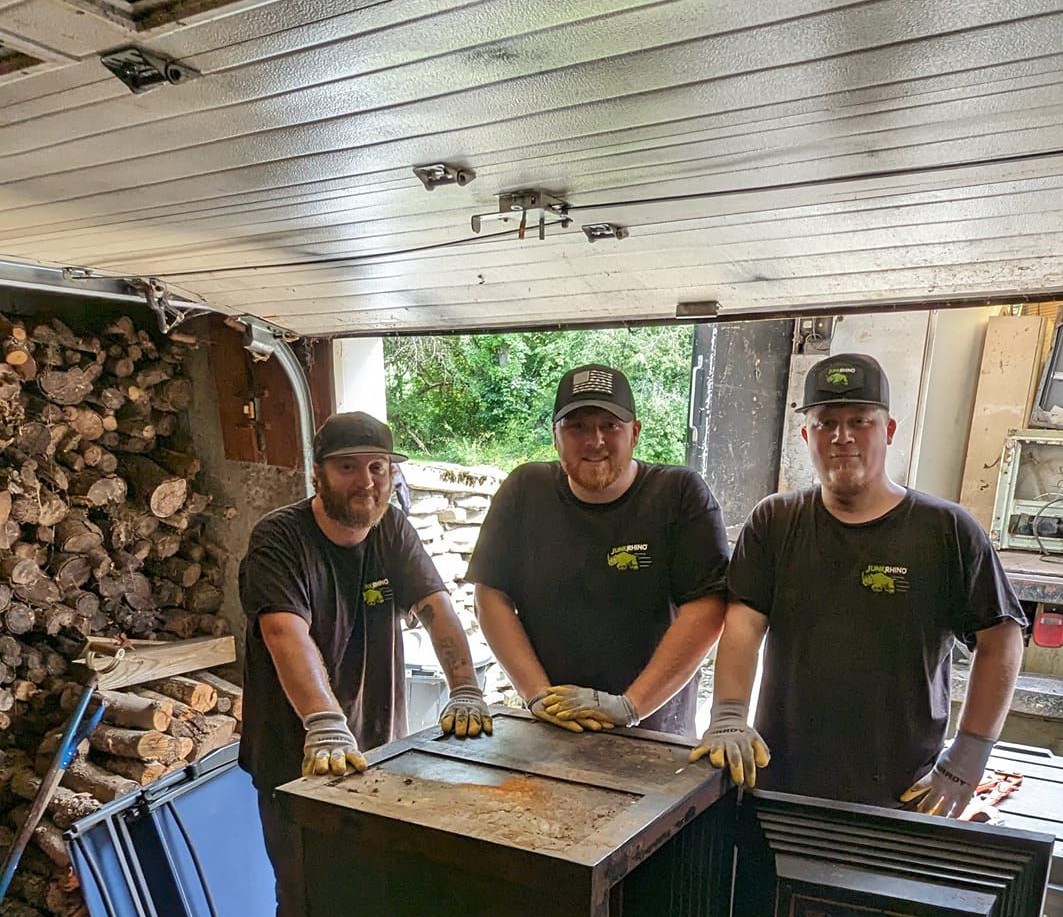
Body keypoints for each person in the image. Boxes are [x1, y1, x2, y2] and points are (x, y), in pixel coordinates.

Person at [692, 352, 1026, 815]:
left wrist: (968, 756)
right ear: (807, 434)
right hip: (781, 780)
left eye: (860, 421)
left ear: (888, 431)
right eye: (826, 422)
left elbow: (1001, 639)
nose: (841, 437)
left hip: (903, 790)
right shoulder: (775, 520)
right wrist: (728, 714)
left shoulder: (947, 531)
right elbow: (743, 625)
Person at [239, 409, 493, 883]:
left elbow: (437, 609)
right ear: (318, 474)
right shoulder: (279, 538)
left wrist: (465, 688)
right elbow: (284, 633)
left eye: (378, 466)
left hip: (379, 748)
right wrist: (324, 723)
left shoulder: (391, 529)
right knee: (307, 898)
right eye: (348, 467)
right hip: (298, 754)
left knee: (377, 890)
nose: (367, 481)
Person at [467, 363, 730, 736]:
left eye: (610, 426)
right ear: (555, 435)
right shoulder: (525, 490)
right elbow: (490, 595)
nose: (595, 441)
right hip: (551, 728)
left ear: (634, 433)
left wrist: (630, 706)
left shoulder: (679, 495)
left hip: (653, 734)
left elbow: (707, 609)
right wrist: (537, 695)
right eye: (577, 427)